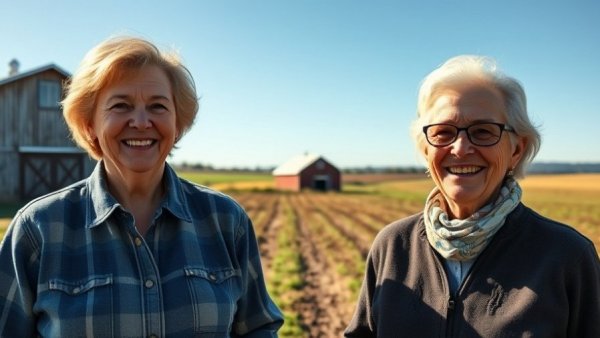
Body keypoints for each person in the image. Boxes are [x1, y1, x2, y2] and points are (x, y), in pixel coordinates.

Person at [0, 36, 283, 337]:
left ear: (177, 124)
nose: (140, 121)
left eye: (157, 106)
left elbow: (258, 328)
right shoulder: (38, 229)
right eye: (120, 105)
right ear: (89, 125)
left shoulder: (226, 220)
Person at [345, 55, 600, 337]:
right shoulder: (393, 246)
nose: (460, 148)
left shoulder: (566, 256)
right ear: (426, 150)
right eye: (443, 133)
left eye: (483, 131)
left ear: (517, 149)